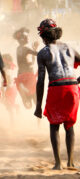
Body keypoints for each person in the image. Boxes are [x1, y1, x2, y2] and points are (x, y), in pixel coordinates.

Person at [34, 19, 80, 170]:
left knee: (54, 126)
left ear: (44, 36)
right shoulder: (69, 48)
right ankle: (71, 161)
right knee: (69, 125)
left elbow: (41, 81)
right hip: (72, 88)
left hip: (56, 88)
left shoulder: (43, 53)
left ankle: (58, 163)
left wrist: (38, 106)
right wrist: (77, 80)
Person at [13, 27, 39, 109]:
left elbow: (30, 61)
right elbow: (39, 55)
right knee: (36, 102)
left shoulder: (18, 49)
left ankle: (25, 90)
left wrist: (34, 49)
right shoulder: (26, 49)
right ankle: (25, 90)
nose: (28, 38)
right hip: (29, 75)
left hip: (20, 76)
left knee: (28, 105)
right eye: (25, 37)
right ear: (21, 39)